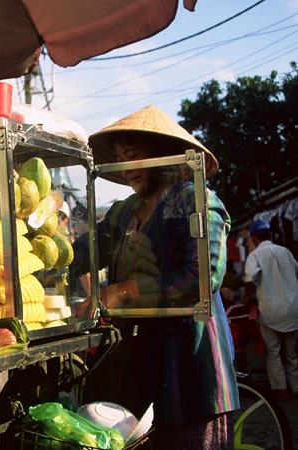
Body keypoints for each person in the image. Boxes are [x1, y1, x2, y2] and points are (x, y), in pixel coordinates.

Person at [70, 105, 239, 449]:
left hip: (192, 355)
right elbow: (85, 250)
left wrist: (124, 290)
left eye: (134, 155)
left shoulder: (195, 200)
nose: (128, 168)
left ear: (161, 155)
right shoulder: (124, 211)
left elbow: (201, 277)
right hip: (142, 354)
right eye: (120, 158)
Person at [242, 219, 298, 401]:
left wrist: (248, 299)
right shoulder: (285, 252)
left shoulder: (255, 255)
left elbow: (250, 279)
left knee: (273, 352)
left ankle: (281, 391)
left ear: (254, 238)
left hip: (270, 310)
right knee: (291, 354)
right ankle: (296, 388)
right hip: (293, 309)